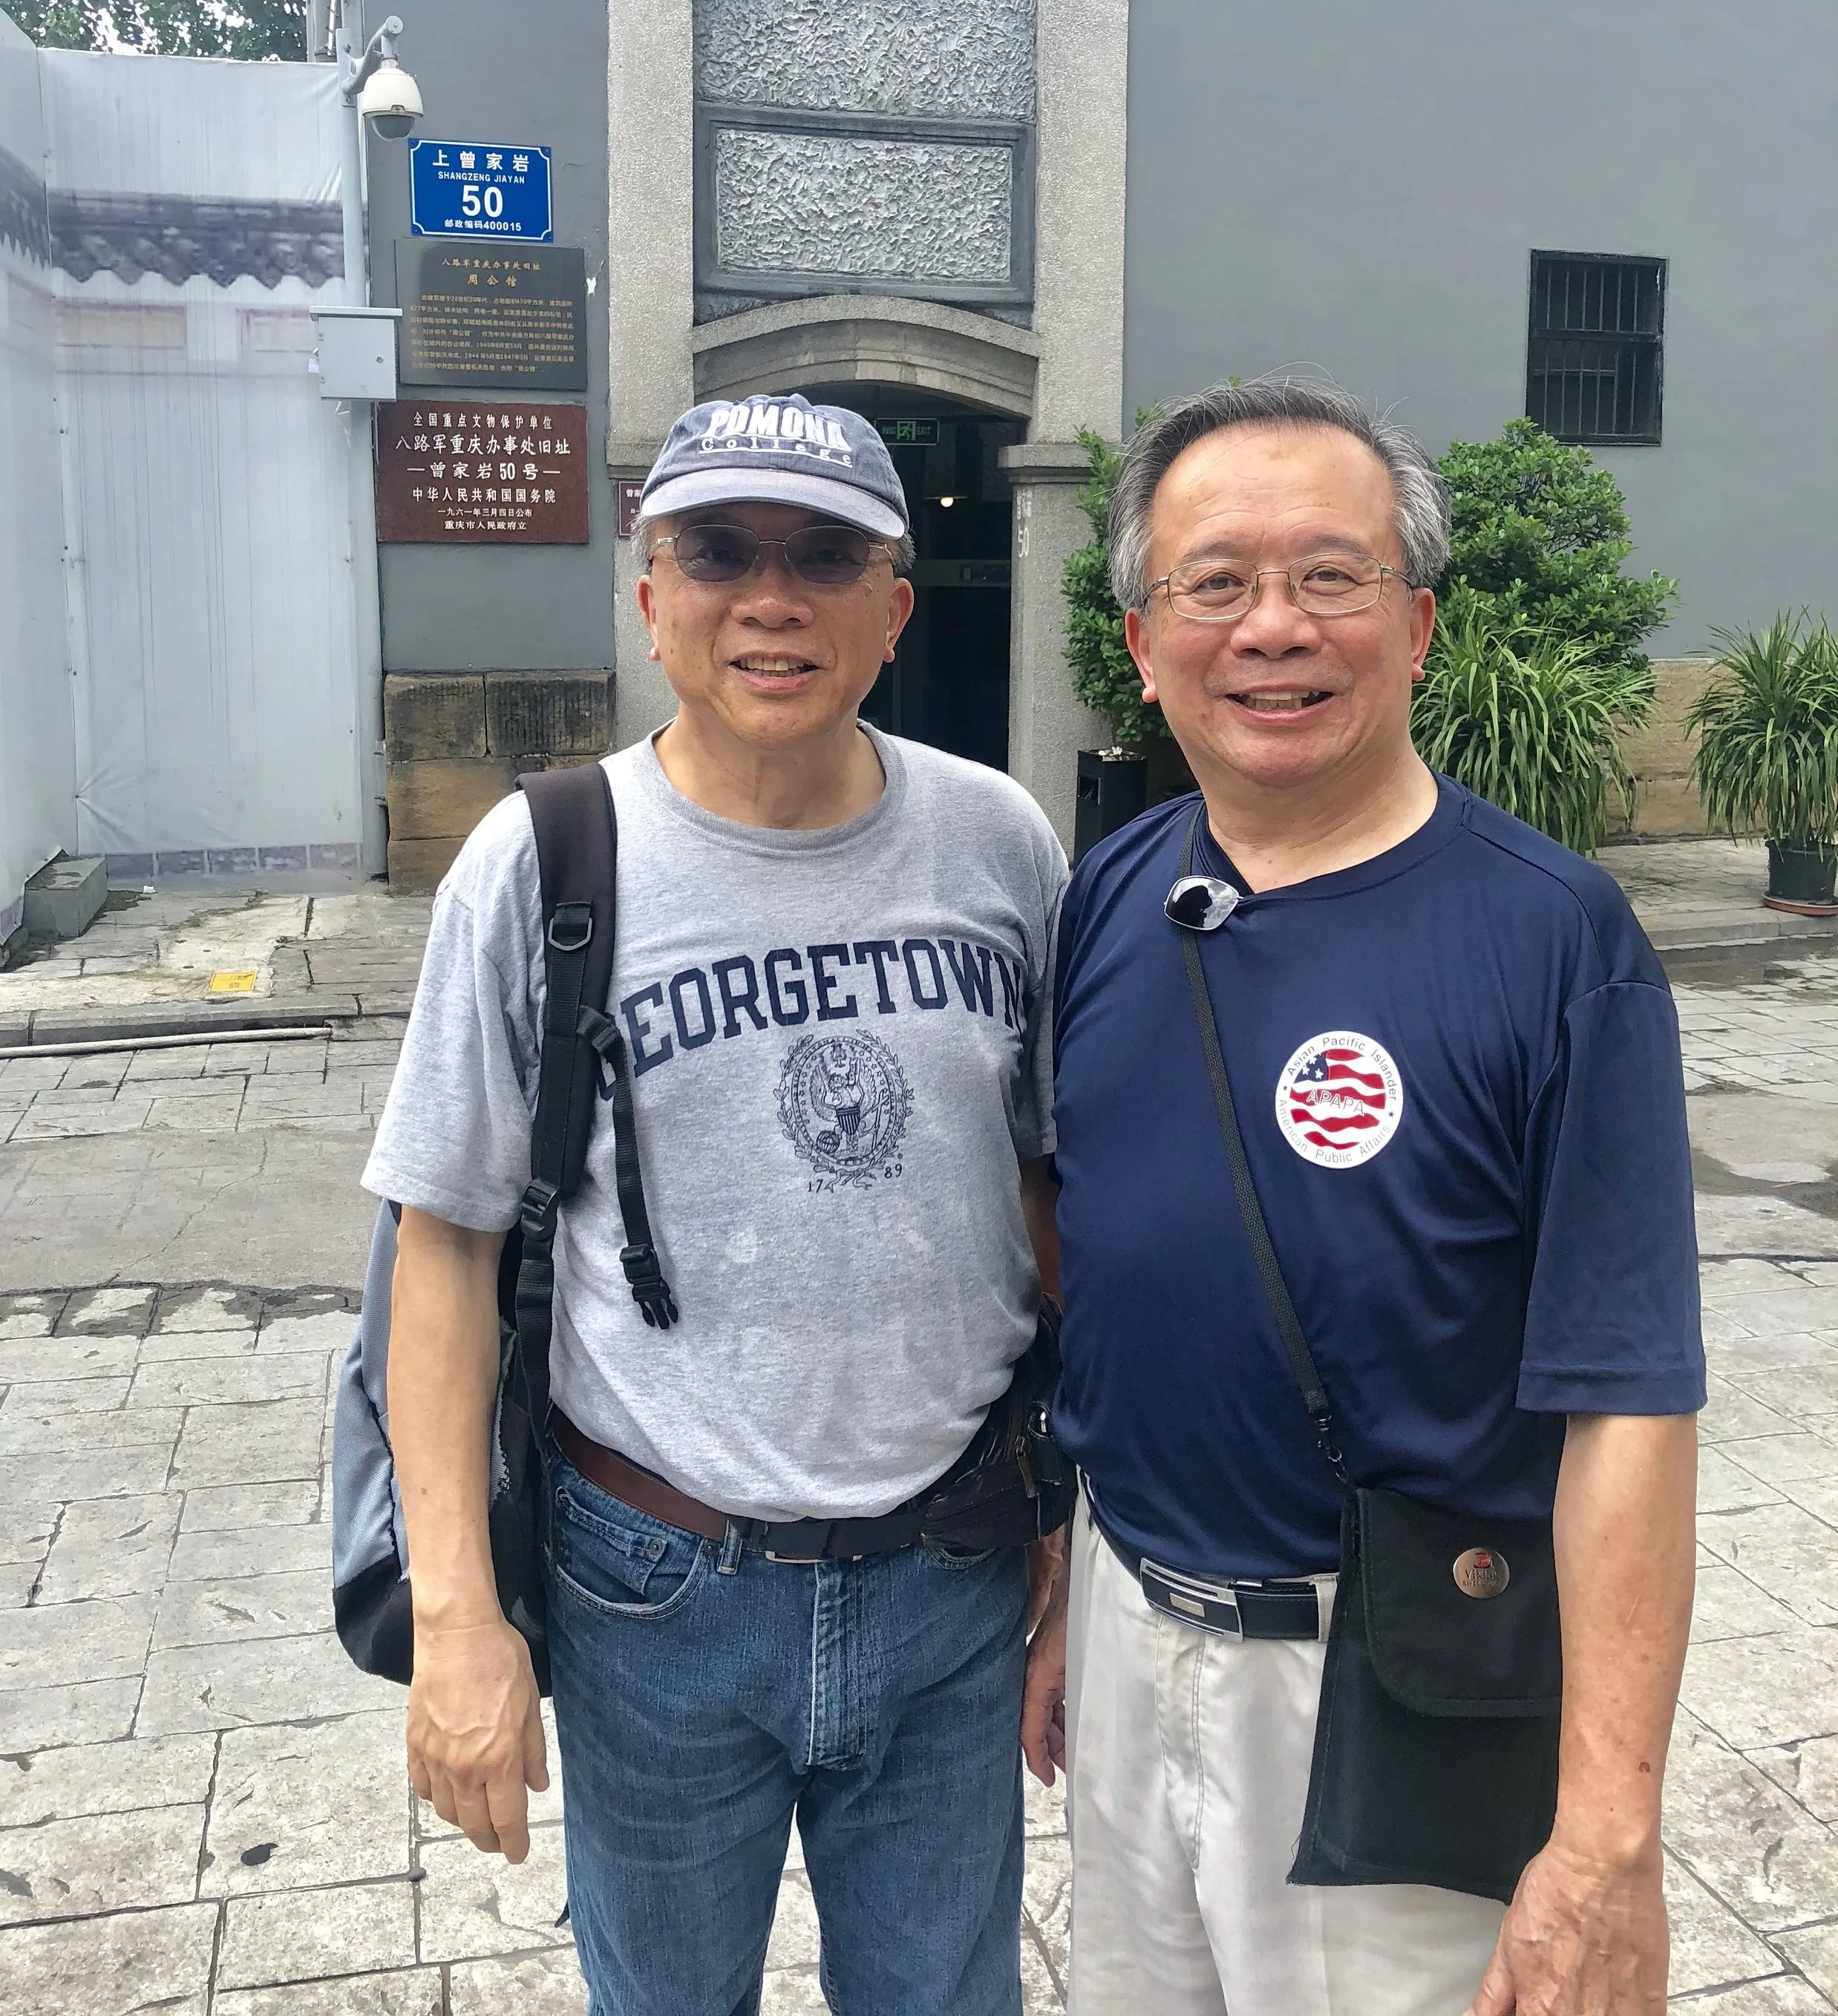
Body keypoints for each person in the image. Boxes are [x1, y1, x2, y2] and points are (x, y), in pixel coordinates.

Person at [367, 393, 1067, 2016]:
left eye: (824, 556)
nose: (772, 598)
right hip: (653, 1588)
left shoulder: (998, 841)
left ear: (893, 605)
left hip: (950, 1572)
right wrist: (459, 1611)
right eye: (720, 553)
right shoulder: (541, 860)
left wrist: (1067, 1523)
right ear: (650, 595)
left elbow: (1050, 1194)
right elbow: (445, 1251)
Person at [1020, 379, 1703, 2016]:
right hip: (1125, 1637)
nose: (1271, 627)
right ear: (1139, 638)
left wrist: (1606, 1834)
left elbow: (1625, 1406)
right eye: (1213, 582)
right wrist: (1063, 1585)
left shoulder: (1550, 941)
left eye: (1327, 577)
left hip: (1387, 1674)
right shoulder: (1112, 889)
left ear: (1413, 622)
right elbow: (1093, 1269)